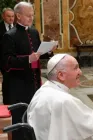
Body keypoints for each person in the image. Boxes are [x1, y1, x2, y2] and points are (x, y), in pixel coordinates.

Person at [1, 2, 55, 140]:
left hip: (34, 82)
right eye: (28, 15)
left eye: (32, 15)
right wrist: (27, 59)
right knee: (20, 118)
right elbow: (6, 62)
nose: (31, 18)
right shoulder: (9, 36)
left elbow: (37, 53)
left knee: (34, 116)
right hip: (17, 86)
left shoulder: (34, 32)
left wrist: (48, 52)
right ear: (18, 16)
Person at [0, 8, 14, 105]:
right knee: (6, 83)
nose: (11, 18)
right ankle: (7, 104)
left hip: (16, 60)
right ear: (3, 16)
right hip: (2, 60)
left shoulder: (17, 28)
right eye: (8, 16)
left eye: (12, 16)